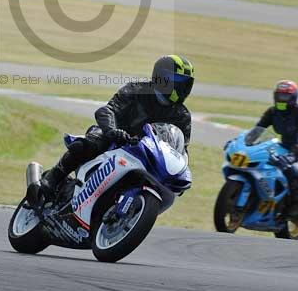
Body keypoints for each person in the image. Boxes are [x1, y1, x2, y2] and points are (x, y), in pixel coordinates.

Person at [40, 55, 195, 200]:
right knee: (93, 141)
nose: (182, 89)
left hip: (147, 155)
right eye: (177, 82)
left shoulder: (182, 116)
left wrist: (179, 173)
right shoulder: (137, 90)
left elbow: (181, 149)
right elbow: (108, 110)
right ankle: (53, 177)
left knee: (165, 188)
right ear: (161, 78)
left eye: (186, 84)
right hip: (116, 138)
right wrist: (112, 130)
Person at [254, 80, 298, 217]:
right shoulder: (272, 112)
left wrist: (292, 156)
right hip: (284, 148)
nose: (282, 99)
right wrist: (244, 142)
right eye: (279, 96)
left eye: (285, 96)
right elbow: (258, 129)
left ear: (293, 98)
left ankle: (296, 206)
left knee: (293, 170)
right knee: (262, 161)